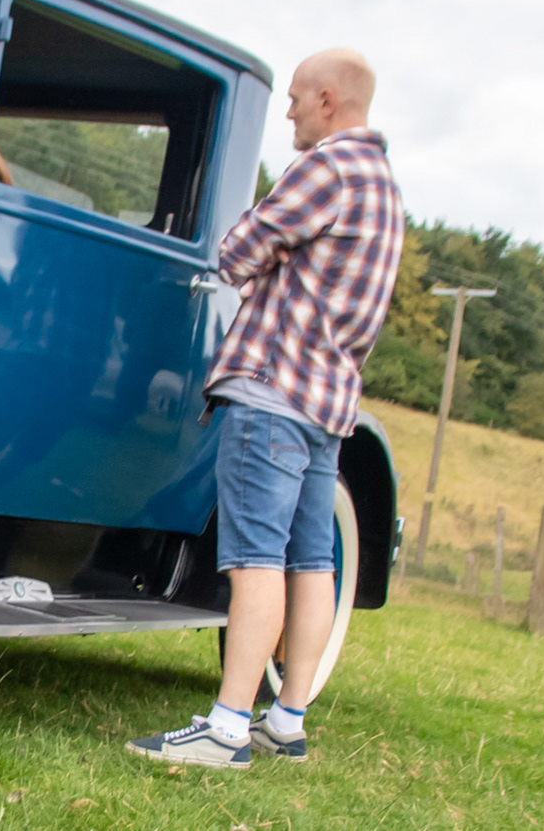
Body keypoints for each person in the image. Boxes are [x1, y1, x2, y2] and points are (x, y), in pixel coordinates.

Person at [127, 48, 404, 769]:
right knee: (312, 562)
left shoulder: (326, 169)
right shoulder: (384, 187)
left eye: (296, 98)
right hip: (328, 405)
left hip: (274, 389)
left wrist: (262, 255)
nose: (288, 112)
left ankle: (225, 728)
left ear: (328, 102)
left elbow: (238, 251)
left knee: (255, 561)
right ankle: (286, 719)